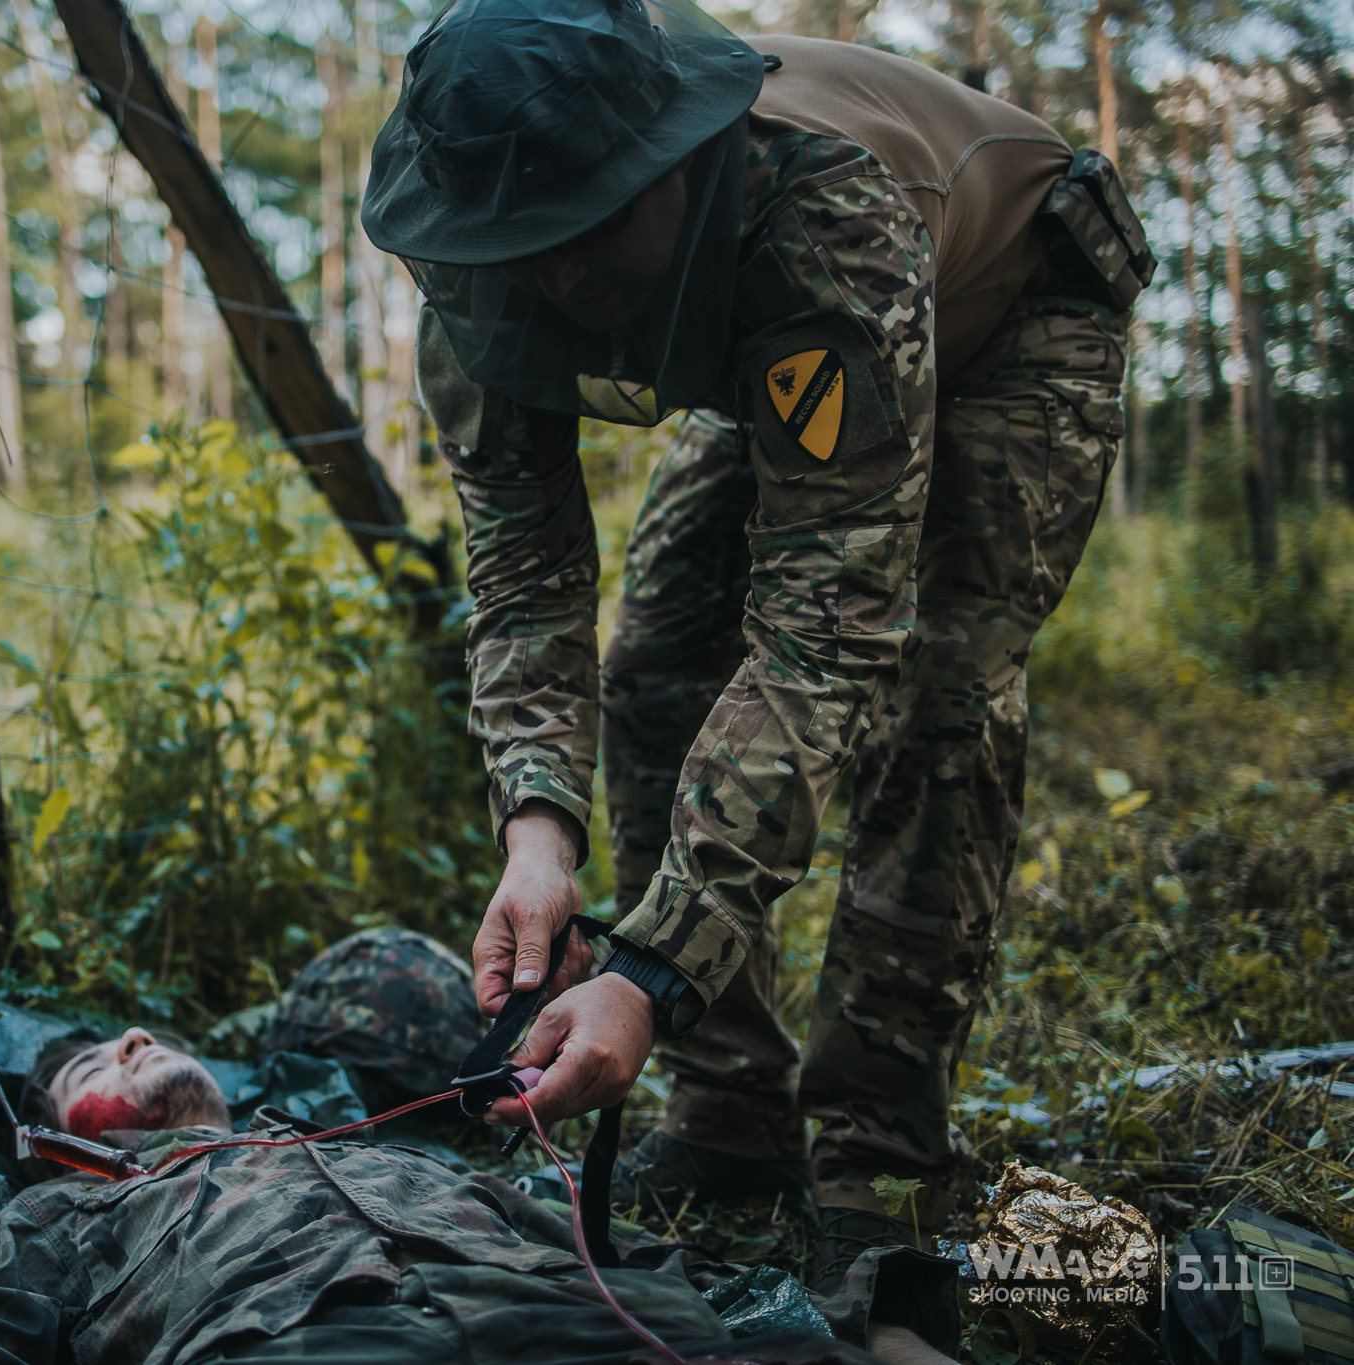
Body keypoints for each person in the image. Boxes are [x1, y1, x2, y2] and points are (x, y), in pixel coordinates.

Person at [358, 0, 1149, 1287]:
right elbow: (524, 575)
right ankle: (727, 1118)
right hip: (764, 348)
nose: (554, 277)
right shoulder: (480, 255)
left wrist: (651, 969)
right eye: (521, 246)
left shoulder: (820, 214)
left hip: (1003, 314)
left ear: (674, 164)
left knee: (938, 696)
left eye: (586, 229)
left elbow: (827, 632)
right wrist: (537, 837)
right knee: (658, 657)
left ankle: (877, 1159)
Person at [0, 1024, 960, 1365]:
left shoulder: (411, 1161)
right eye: (90, 1069)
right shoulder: (61, 1214)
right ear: (52, 1146)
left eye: (136, 1038)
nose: (128, 1041)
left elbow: (677, 1277)